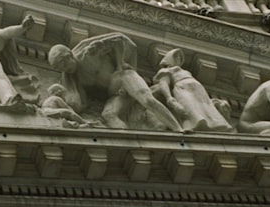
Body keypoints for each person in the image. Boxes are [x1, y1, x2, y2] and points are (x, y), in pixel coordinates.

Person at [47, 32, 183, 132]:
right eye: (60, 69)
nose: (65, 70)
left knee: (148, 100)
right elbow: (80, 105)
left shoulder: (88, 53)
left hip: (123, 77)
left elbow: (119, 39)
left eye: (64, 65)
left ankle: (178, 130)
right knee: (109, 115)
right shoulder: (73, 78)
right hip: (115, 94)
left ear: (69, 55)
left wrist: (120, 64)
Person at [152, 48, 234, 133]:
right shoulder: (166, 70)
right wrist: (169, 98)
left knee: (204, 107)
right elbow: (164, 84)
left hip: (198, 90)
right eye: (176, 56)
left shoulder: (184, 71)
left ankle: (213, 125)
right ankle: (191, 126)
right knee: (189, 106)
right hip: (183, 88)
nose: (179, 58)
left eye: (180, 57)